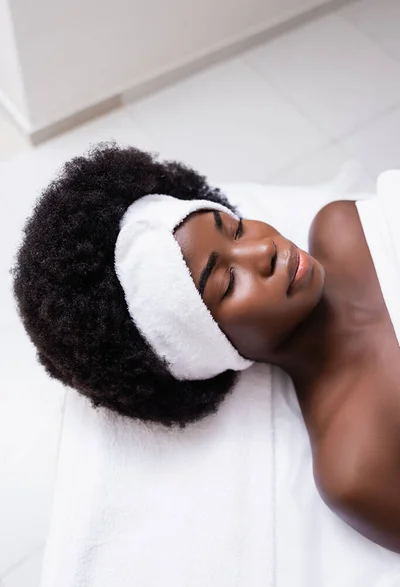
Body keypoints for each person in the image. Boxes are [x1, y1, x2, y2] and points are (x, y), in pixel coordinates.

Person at [11, 142, 400, 554]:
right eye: (227, 282)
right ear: (210, 349)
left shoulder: (342, 222)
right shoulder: (356, 463)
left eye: (235, 229)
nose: (263, 249)